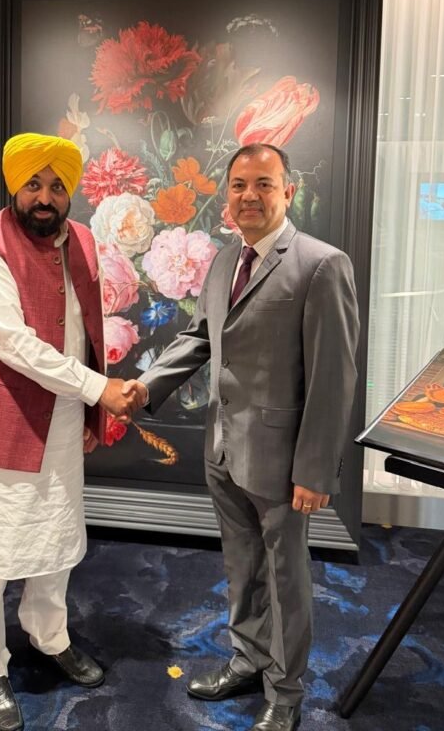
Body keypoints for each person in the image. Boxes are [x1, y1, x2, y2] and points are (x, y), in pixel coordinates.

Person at [125, 143, 360, 731]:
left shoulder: (321, 265)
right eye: (238, 185)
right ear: (227, 194)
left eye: (263, 184)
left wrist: (315, 470)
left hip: (283, 460)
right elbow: (200, 337)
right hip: (224, 448)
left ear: (288, 191)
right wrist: (144, 388)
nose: (249, 196)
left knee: (286, 577)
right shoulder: (226, 258)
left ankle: (286, 692)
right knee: (242, 564)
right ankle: (248, 659)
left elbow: (333, 379)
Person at [0, 133, 138, 731]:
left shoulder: (82, 240)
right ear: (15, 186)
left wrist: (88, 411)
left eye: (56, 186)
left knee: (55, 544)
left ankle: (50, 637)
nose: (45, 198)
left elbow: (86, 329)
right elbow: (14, 344)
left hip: (61, 422)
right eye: (33, 184)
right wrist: (98, 391)